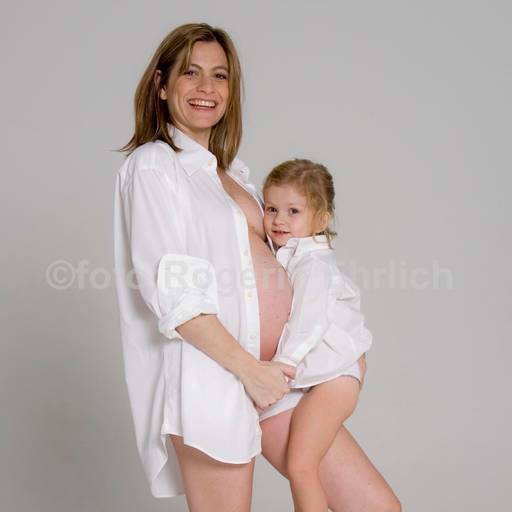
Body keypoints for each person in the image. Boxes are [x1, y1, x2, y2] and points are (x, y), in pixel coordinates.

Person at [113, 22, 401, 511]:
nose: (206, 87)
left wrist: (334, 340)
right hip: (216, 375)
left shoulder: (234, 175)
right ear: (162, 85)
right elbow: (173, 294)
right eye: (190, 73)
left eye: (220, 76)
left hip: (276, 376)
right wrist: (251, 371)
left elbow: (294, 262)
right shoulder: (155, 166)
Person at [260, 158, 373, 510]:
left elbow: (308, 321)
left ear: (321, 220)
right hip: (328, 377)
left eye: (293, 211)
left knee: (301, 465)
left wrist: (282, 366)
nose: (279, 220)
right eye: (271, 208)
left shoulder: (313, 264)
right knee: (303, 465)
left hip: (336, 379)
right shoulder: (290, 255)